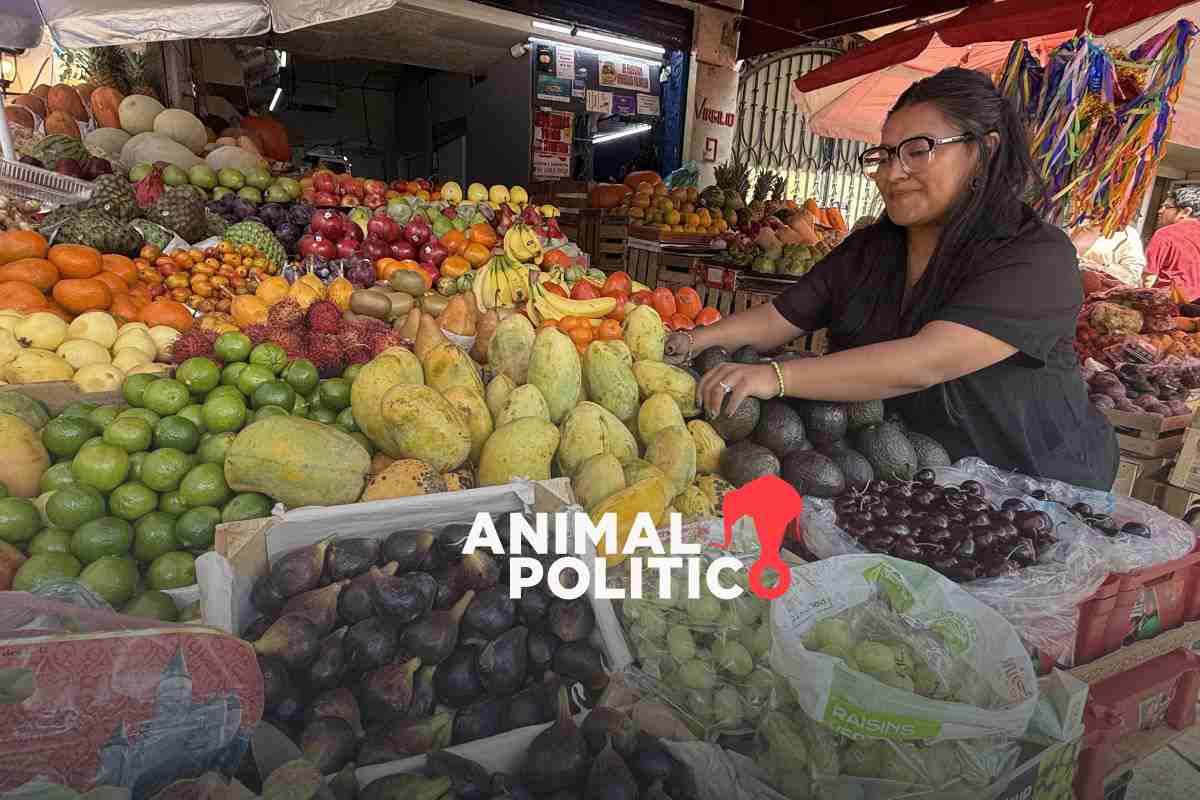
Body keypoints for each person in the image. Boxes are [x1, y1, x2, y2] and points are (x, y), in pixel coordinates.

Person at [664, 67, 1117, 490]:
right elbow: (781, 316)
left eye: (917, 151)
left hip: (1032, 490)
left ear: (985, 151)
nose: (891, 172)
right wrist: (688, 342)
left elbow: (925, 361)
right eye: (883, 155)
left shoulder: (1036, 257)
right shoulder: (872, 249)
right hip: (907, 482)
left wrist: (774, 377)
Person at [1144, 186, 1200, 300]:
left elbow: (1148, 278)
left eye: (1167, 207)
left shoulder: (1165, 234)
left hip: (1169, 304)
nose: (1160, 211)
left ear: (1185, 212)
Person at [1069, 218, 1146, 287]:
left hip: (1101, 295)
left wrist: (1100, 268)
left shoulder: (1128, 235)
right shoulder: (1076, 224)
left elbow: (1133, 277)